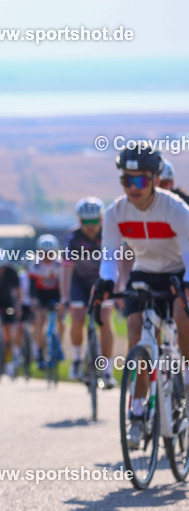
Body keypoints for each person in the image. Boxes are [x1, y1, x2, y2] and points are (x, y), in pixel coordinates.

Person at [95, 143, 189, 446]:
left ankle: (185, 381)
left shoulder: (175, 209)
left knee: (181, 317)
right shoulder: (115, 212)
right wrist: (106, 283)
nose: (133, 188)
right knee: (136, 332)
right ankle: (136, 413)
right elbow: (109, 255)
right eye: (127, 180)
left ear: (155, 178)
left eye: (140, 180)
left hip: (178, 270)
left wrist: (185, 287)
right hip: (144, 271)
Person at [60, 197, 116, 387]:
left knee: (105, 320)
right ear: (79, 220)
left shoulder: (109, 235)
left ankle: (107, 371)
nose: (91, 226)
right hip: (79, 282)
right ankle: (76, 360)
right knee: (77, 317)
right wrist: (64, 296)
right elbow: (66, 268)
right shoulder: (73, 238)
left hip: (101, 282)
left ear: (102, 219)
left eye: (95, 221)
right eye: (86, 221)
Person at [28, 234, 65, 369]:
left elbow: (63, 284)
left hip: (56, 293)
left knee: (61, 320)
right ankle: (39, 351)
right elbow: (32, 286)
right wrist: (34, 301)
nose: (47, 256)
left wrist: (63, 302)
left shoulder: (60, 264)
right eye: (44, 253)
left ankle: (58, 346)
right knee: (39, 320)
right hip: (41, 294)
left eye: (50, 253)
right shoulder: (35, 265)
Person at [0, 259, 22, 377]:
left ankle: (8, 361)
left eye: (1, 268)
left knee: (7, 333)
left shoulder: (11, 272)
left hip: (7, 302)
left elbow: (17, 291)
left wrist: (18, 306)